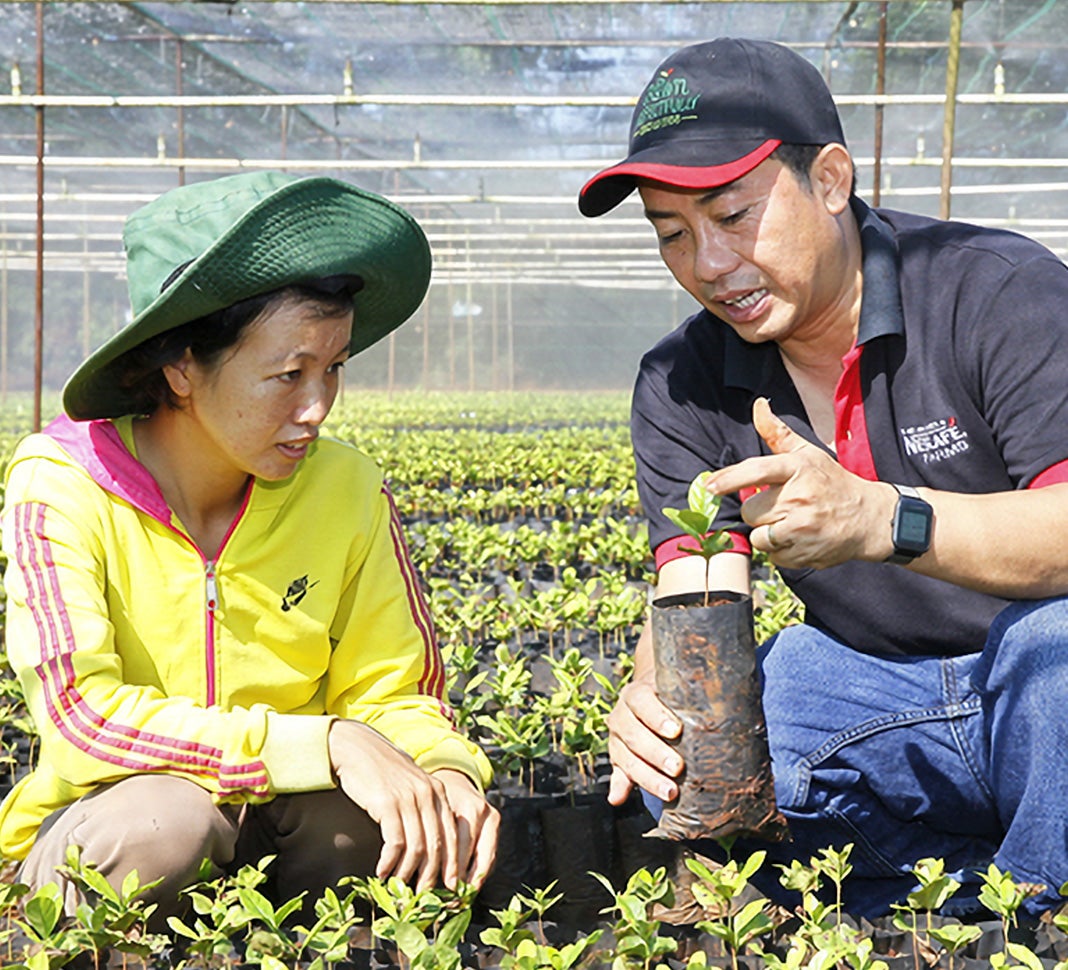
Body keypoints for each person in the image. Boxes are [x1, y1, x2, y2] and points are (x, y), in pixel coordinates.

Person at [578, 37, 1068, 919]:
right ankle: (965, 897)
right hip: (875, 686)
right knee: (692, 756)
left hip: (1037, 674)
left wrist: (884, 519)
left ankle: (1041, 915)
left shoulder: (999, 293)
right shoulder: (681, 381)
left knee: (1060, 651)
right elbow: (699, 594)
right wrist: (653, 699)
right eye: (673, 235)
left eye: (733, 217)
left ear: (832, 180)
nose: (709, 266)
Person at [0, 170, 498, 923]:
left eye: (333, 368)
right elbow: (82, 719)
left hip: (280, 819)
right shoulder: (62, 484)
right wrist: (326, 743)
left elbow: (394, 690)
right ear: (181, 368)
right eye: (287, 374)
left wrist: (445, 773)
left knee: (384, 824)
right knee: (168, 825)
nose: (317, 408)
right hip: (115, 821)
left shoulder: (347, 489)